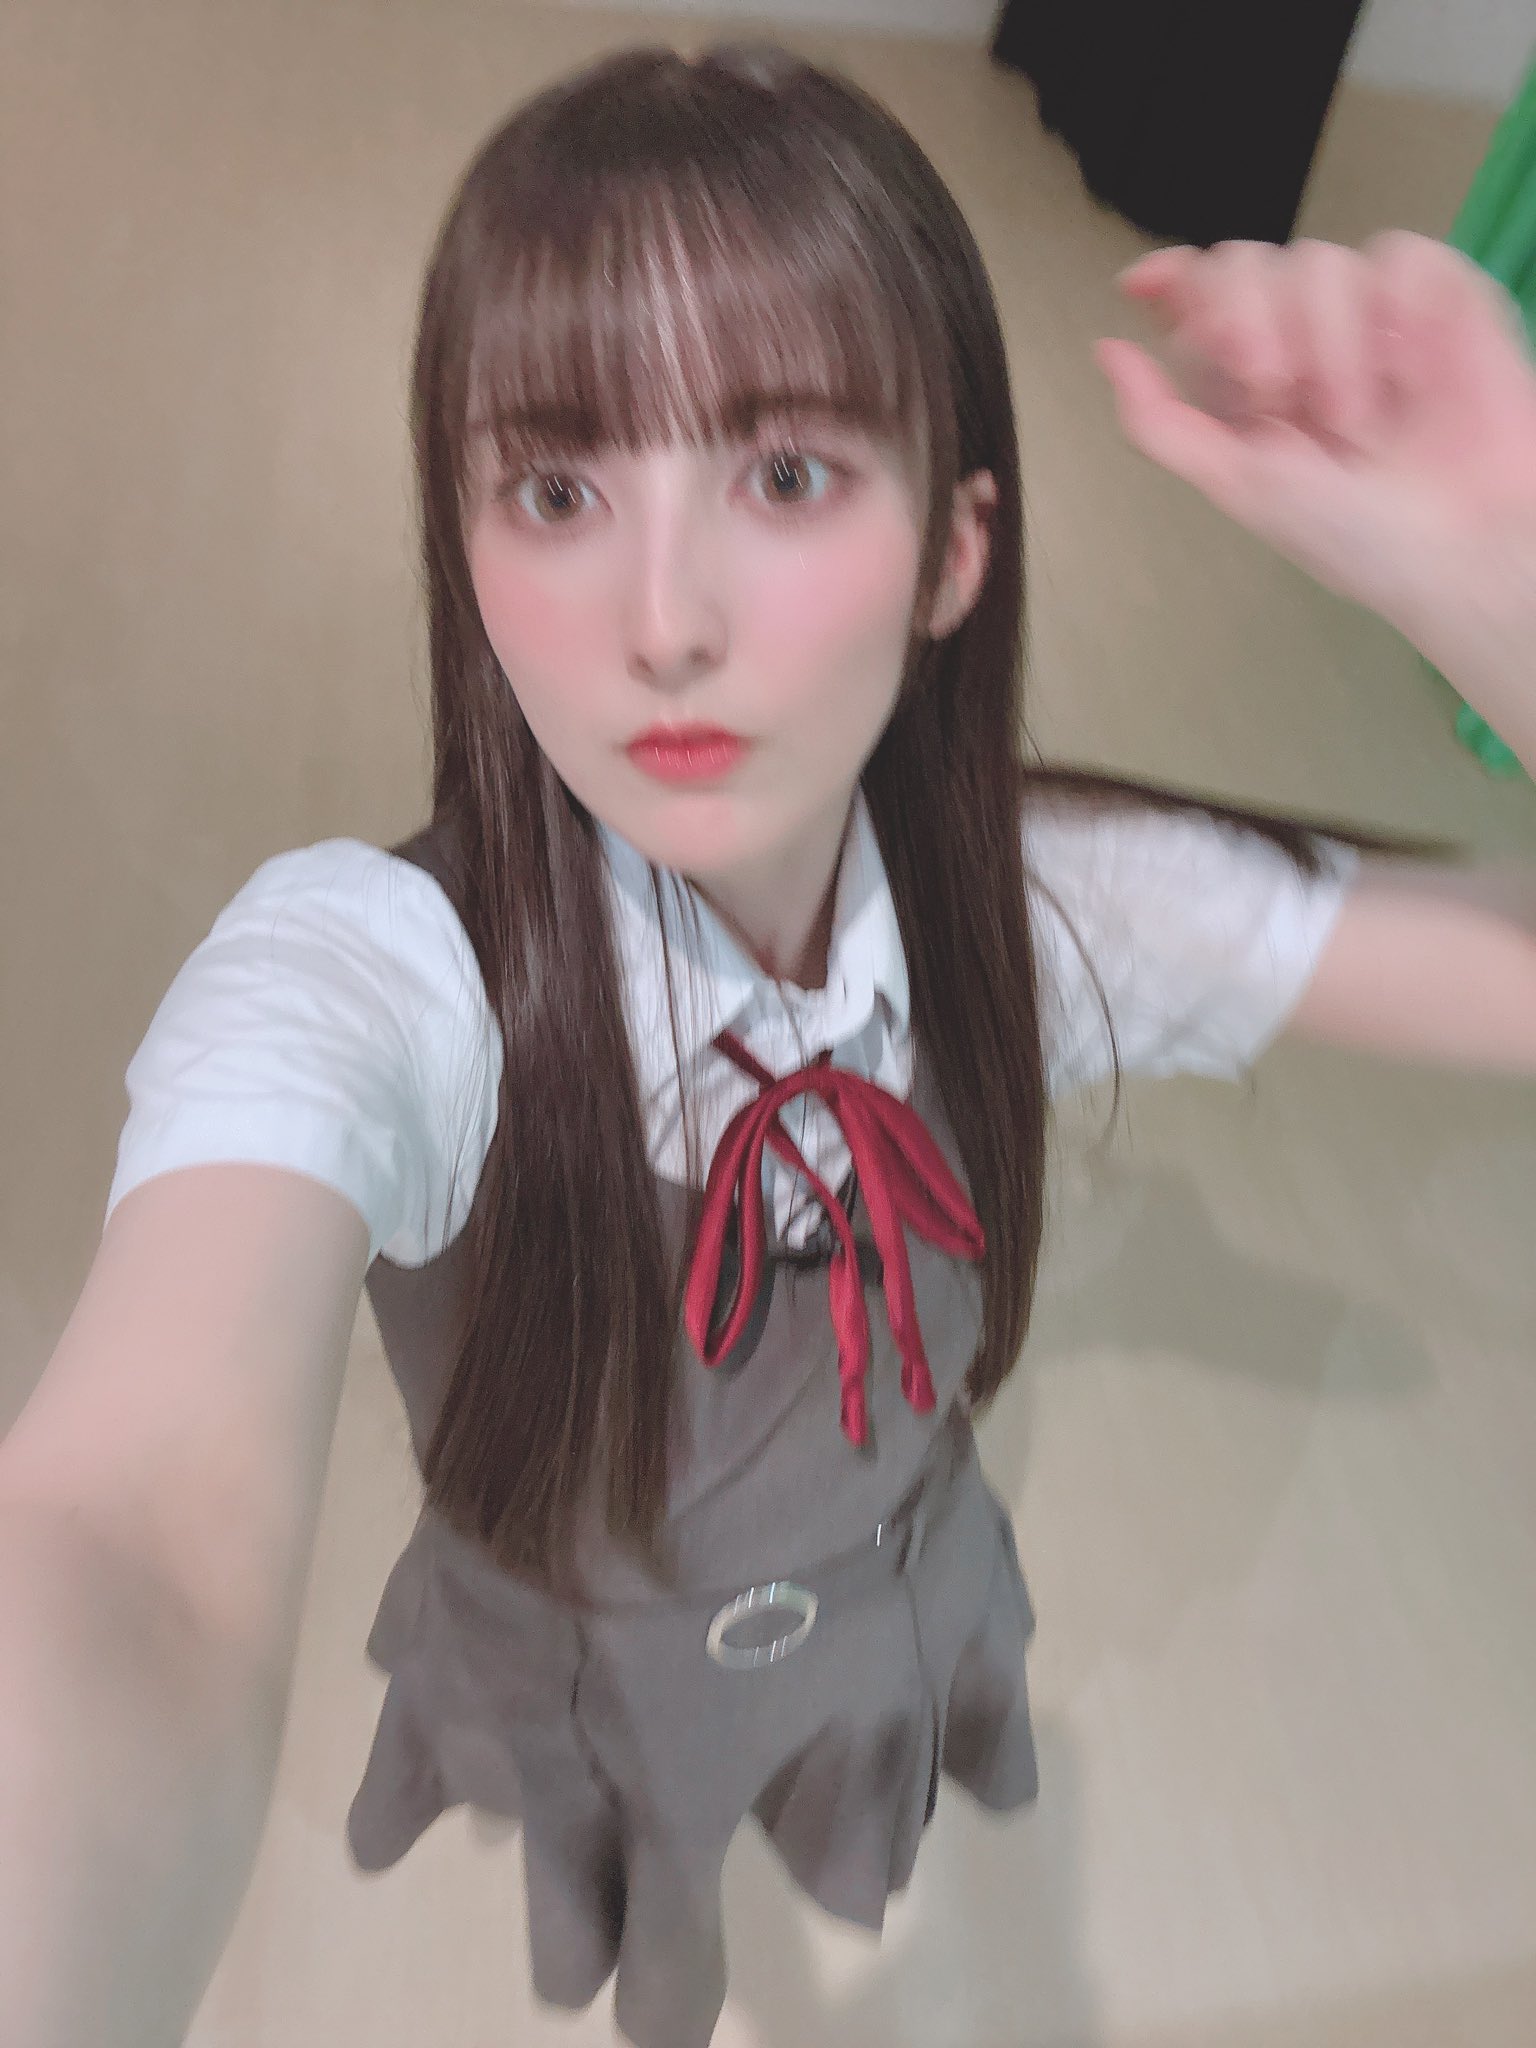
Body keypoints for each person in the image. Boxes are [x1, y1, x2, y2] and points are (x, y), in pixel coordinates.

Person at [1, 40, 1533, 2048]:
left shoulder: (1041, 896)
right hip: (587, 1662)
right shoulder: (379, 969)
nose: (664, 618)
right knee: (652, 1905)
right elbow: (132, 1536)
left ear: (956, 554)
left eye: (786, 473)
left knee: (819, 1820)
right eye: (559, 489)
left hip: (879, 1588)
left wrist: (1503, 576)